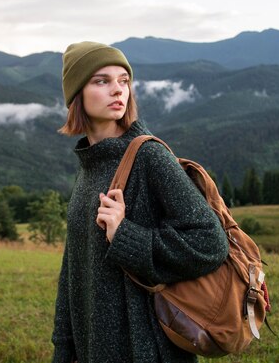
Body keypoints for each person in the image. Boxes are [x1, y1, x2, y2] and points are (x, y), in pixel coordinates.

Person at [51, 41, 229, 363]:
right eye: (101, 81)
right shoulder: (89, 165)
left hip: (145, 349)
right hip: (95, 347)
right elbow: (73, 270)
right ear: (77, 93)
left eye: (124, 80)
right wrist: (64, 348)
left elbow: (211, 242)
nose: (118, 90)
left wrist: (125, 235)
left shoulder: (149, 156)